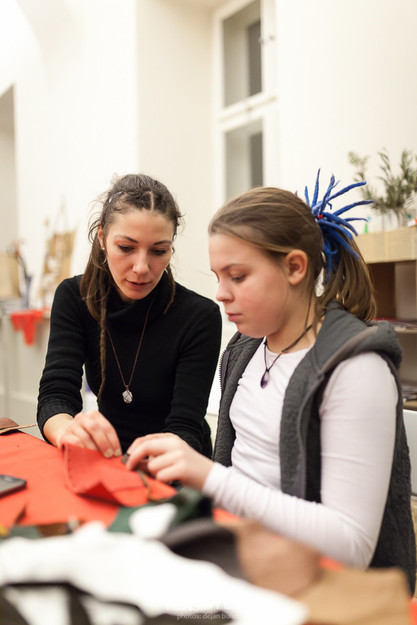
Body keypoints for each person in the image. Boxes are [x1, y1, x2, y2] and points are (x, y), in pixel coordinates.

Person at [125, 172, 416, 594]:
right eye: (217, 276)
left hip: (328, 589)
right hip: (247, 560)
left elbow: (351, 545)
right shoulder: (246, 348)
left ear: (295, 267)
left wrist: (209, 477)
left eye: (237, 276)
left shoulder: (356, 369)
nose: (221, 293)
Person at [37, 173, 222, 458]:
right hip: (105, 456)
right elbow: (56, 395)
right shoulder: (75, 297)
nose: (141, 267)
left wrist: (137, 465)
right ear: (102, 238)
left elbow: (185, 428)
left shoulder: (199, 317)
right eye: (126, 248)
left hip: (171, 464)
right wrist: (67, 433)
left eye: (159, 251)